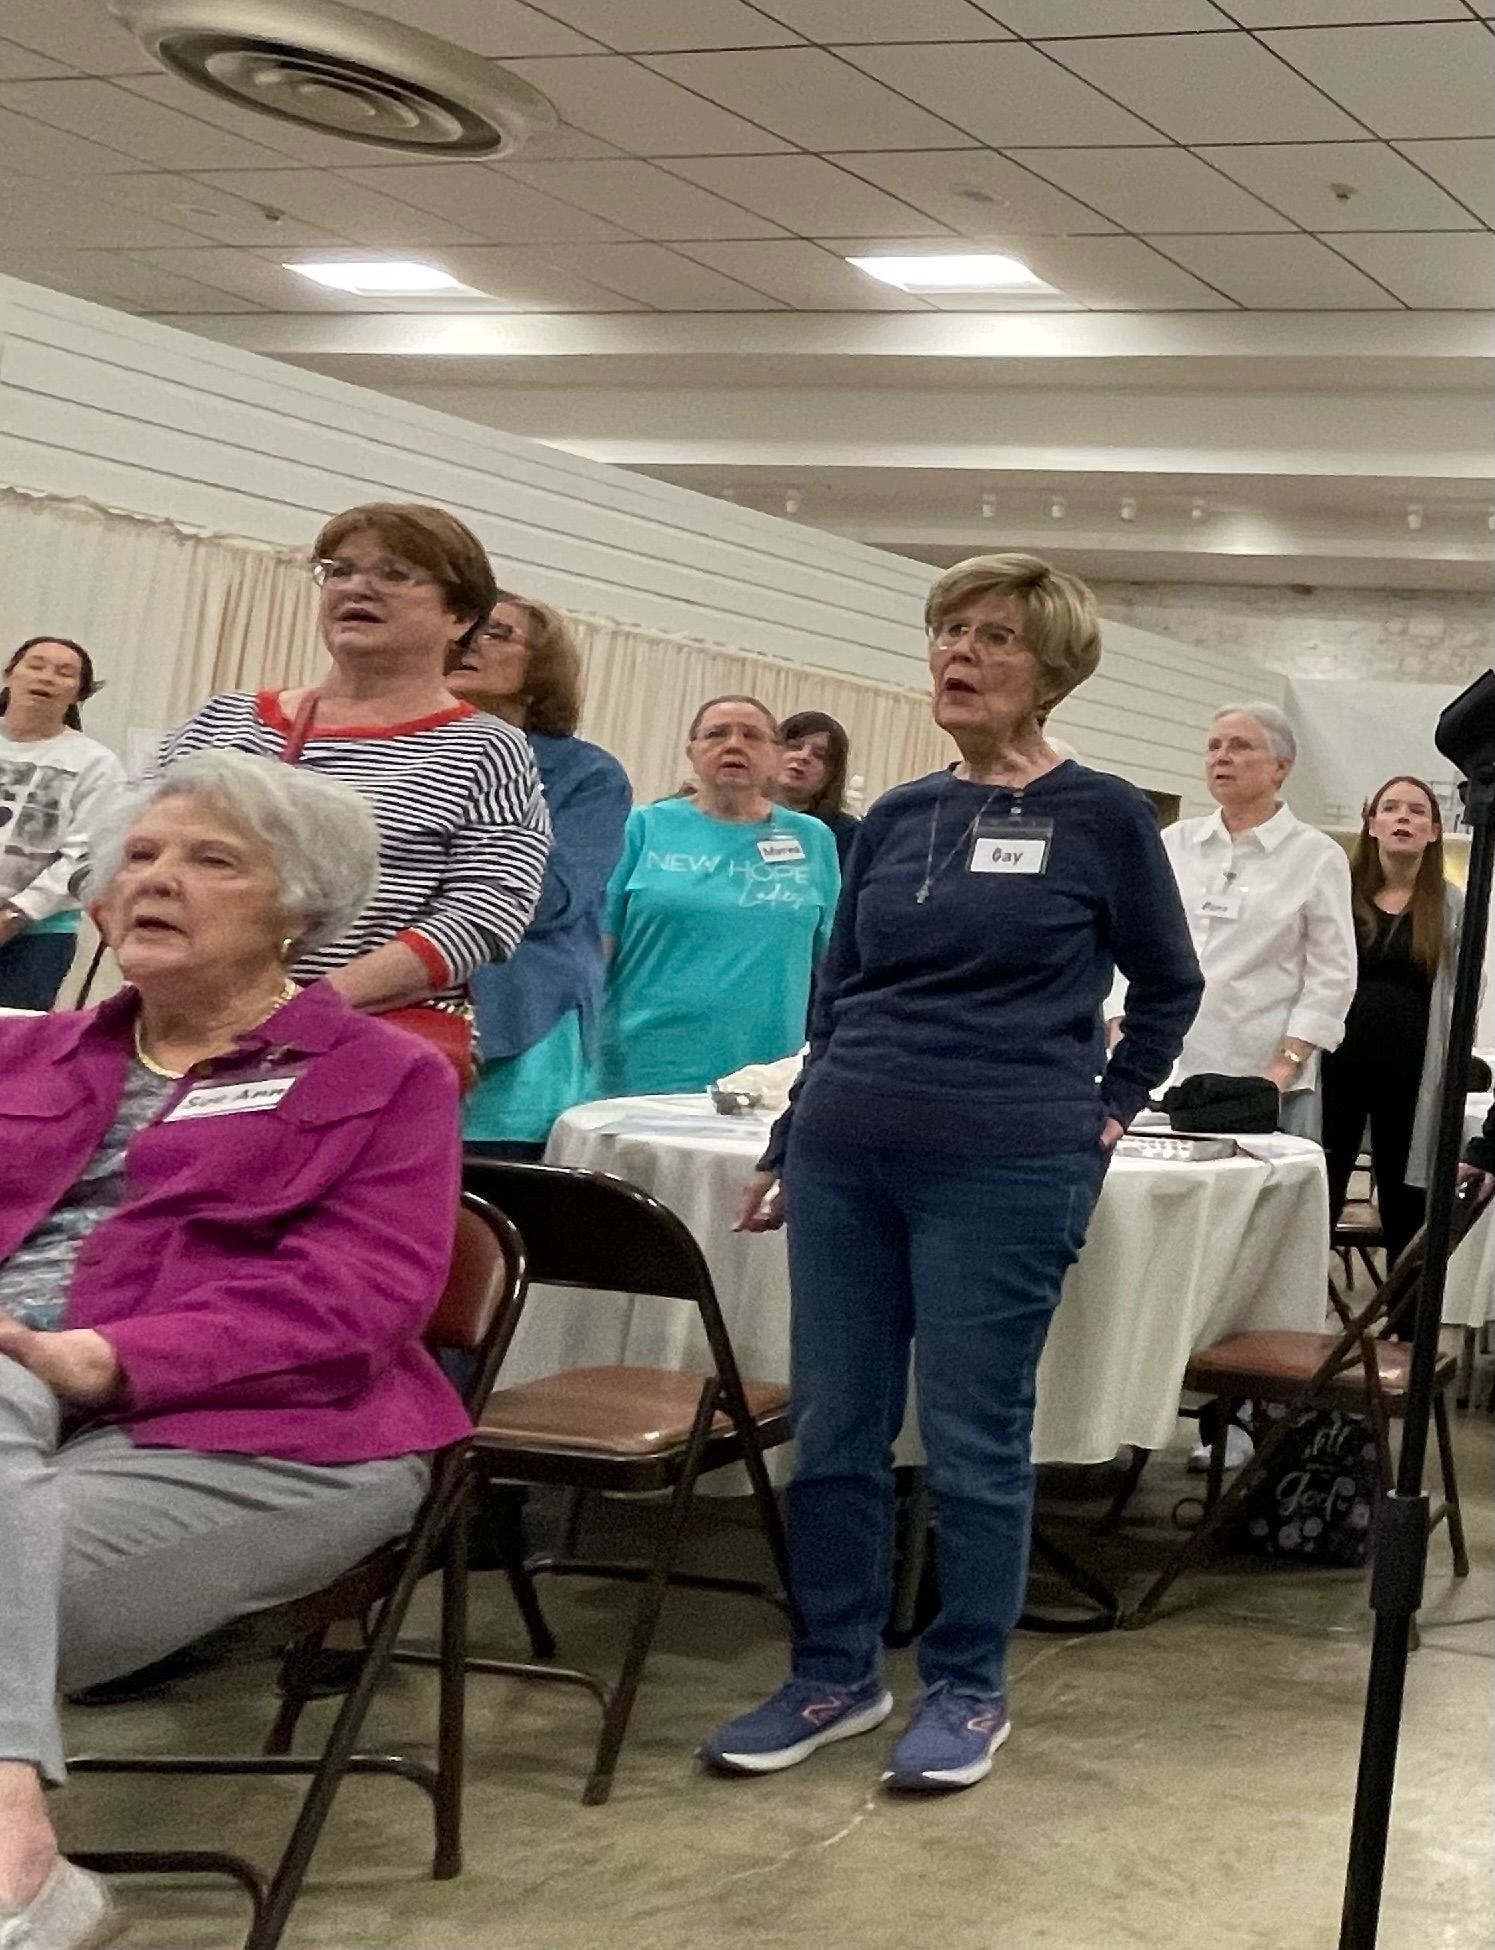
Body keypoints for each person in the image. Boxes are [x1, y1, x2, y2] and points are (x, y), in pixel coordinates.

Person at [701, 554, 1201, 1795]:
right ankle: (833, 1671)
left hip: (1007, 1158)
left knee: (976, 1438)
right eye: (946, 632)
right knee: (834, 1427)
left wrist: (1106, 1111)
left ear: (1054, 669)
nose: (957, 655)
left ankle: (969, 1687)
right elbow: (844, 993)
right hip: (847, 1150)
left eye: (991, 638)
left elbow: (1169, 987)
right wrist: (791, 1133)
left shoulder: (1104, 816)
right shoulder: (898, 818)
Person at [0, 751, 470, 1950]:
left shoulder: (385, 1077)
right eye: (141, 857)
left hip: (266, 1432)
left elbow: (355, 1303)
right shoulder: (25, 1057)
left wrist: (103, 1357)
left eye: (212, 860)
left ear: (301, 907)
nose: (158, 880)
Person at [159, 503, 551, 1074]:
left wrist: (301, 1007)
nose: (357, 587)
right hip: (188, 1022)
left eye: (394, 574)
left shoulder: (488, 748)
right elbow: (115, 861)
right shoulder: (225, 720)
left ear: (460, 615)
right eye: (340, 570)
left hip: (368, 1041)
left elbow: (486, 912)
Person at [1112, 703, 1356, 1142]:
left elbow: (1332, 975)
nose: (1221, 757)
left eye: (1239, 746)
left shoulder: (1317, 855)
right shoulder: (1174, 842)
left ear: (1280, 767)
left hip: (1258, 1081)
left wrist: (1285, 1066)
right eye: (1213, 746)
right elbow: (1128, 939)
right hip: (1160, 1070)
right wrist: (1118, 1024)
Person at [446, 591, 630, 1157]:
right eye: (466, 628)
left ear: (539, 668)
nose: (471, 642)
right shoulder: (409, 747)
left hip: (522, 1019)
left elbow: (550, 899)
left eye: (497, 633)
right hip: (387, 1013)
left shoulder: (588, 774)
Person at [597, 696, 840, 1098]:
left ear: (775, 754)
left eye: (751, 735)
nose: (733, 745)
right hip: (642, 1067)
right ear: (691, 751)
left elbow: (835, 961)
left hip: (763, 1079)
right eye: (716, 734)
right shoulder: (641, 826)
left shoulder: (813, 839)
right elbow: (597, 947)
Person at [1321, 777, 1466, 1267]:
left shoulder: (1451, 907)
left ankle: (1406, 1336)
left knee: (1407, 1205)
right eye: (1391, 808)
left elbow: (1462, 995)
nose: (1403, 818)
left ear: (1434, 829)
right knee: (1318, 1192)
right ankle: (1297, 1326)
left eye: (1417, 811)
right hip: (1334, 1071)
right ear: (1372, 823)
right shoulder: (1339, 894)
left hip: (1412, 1078)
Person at [0, 637, 125, 1011]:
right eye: (36, 665)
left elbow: (87, 855)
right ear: (9, 674)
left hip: (36, 935)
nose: (48, 677)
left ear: (78, 693)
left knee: (10, 1050)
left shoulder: (96, 763)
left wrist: (15, 915)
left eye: (64, 672)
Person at [776, 710, 860, 868]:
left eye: (819, 755)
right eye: (794, 746)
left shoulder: (845, 834)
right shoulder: (736, 814)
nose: (804, 757)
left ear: (831, 774)